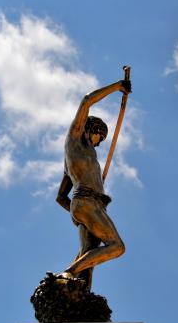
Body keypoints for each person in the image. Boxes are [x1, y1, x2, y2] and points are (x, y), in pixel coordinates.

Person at [55, 78, 132, 289]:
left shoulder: (71, 162)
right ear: (93, 129)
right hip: (87, 202)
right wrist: (117, 86)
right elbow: (87, 101)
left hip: (86, 206)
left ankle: (77, 293)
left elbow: (60, 197)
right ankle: (67, 272)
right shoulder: (75, 140)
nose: (99, 143)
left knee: (89, 259)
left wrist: (76, 214)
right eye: (101, 137)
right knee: (116, 246)